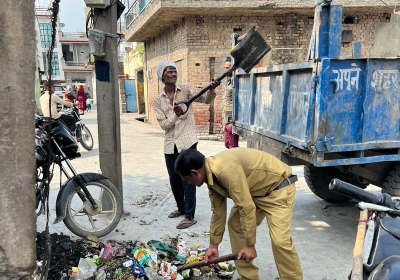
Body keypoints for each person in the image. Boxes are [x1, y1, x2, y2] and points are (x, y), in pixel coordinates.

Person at [174, 148, 303, 280]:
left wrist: (250, 245)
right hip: (255, 192)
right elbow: (218, 212)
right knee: (235, 224)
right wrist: (214, 245)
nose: (188, 183)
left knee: (280, 241)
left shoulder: (225, 170)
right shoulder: (211, 178)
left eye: (186, 179)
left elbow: (246, 207)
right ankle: (248, 277)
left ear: (194, 173)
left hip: (278, 189)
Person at [154, 59, 221, 229]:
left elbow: (205, 98)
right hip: (170, 145)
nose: (173, 73)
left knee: (189, 179)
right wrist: (175, 115)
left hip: (187, 142)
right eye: (169, 71)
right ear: (162, 75)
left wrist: (212, 88)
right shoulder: (158, 100)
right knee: (174, 179)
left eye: (175, 71)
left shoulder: (186, 89)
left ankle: (190, 216)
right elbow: (164, 125)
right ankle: (181, 208)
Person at [222, 57, 234, 125]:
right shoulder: (228, 80)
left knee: (230, 134)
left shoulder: (236, 81)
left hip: (232, 112)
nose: (226, 70)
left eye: (228, 68)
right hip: (227, 112)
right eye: (225, 68)